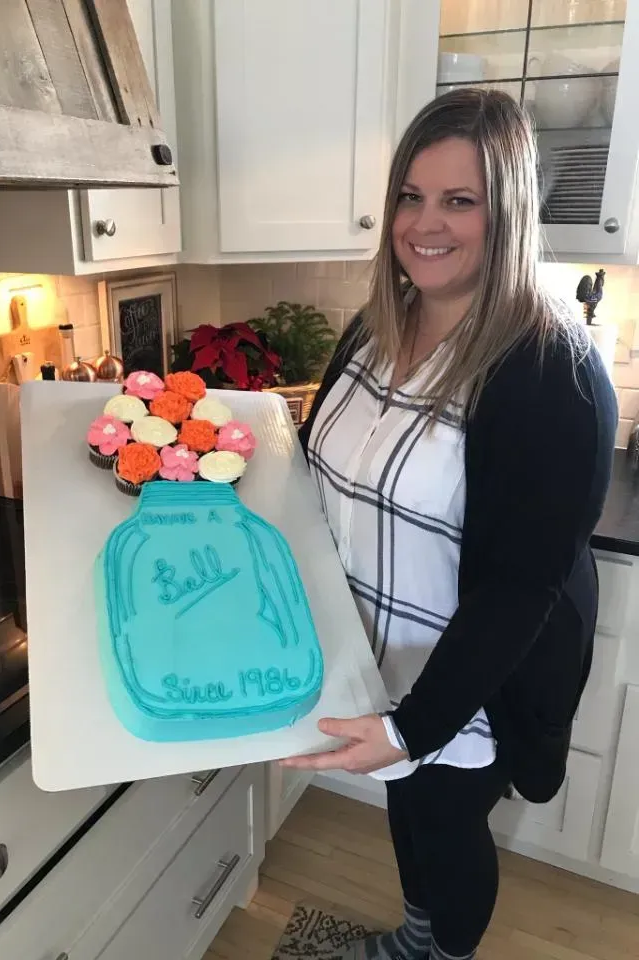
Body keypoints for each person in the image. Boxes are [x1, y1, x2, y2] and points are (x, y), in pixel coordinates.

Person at [280, 89, 617, 960]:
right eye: (410, 196)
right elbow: (324, 468)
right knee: (408, 813)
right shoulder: (373, 326)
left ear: (505, 212)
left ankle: (442, 952)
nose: (425, 224)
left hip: (468, 684)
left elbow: (519, 587)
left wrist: (413, 727)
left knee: (444, 824)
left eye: (459, 200)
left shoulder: (550, 370)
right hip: (376, 660)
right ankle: (415, 937)